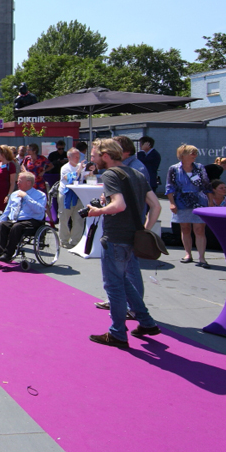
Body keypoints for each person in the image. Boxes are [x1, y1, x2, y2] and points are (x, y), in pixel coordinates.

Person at [84, 138, 163, 348]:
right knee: (125, 282)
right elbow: (156, 206)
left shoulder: (110, 174)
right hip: (132, 238)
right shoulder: (136, 173)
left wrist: (98, 211)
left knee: (114, 286)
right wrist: (144, 230)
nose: (94, 160)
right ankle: (146, 322)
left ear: (106, 156)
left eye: (96, 156)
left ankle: (118, 332)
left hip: (116, 236)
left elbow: (119, 205)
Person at [165, 144, 212, 268]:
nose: (195, 156)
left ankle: (202, 257)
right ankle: (188, 254)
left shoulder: (200, 168)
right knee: (185, 228)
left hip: (199, 201)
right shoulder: (174, 169)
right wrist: (172, 203)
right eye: (192, 153)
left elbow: (207, 185)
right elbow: (169, 187)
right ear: (182, 155)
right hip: (181, 201)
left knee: (200, 229)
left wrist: (210, 202)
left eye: (195, 153)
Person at [0, 172, 47, 264]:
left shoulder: (40, 195)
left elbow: (39, 210)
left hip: (32, 220)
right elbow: (7, 211)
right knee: (4, 225)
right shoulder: (14, 194)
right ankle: (0, 250)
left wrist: (26, 197)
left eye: (20, 181)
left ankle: (8, 254)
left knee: (17, 227)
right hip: (15, 220)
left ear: (28, 183)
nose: (17, 183)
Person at [57, 148, 87, 248]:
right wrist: (78, 171)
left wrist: (90, 171)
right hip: (66, 196)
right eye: (75, 156)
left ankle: (76, 241)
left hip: (79, 196)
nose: (78, 158)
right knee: (64, 218)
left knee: (78, 218)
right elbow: (69, 179)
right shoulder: (65, 168)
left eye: (79, 156)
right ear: (69, 157)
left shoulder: (81, 167)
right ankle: (64, 241)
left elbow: (87, 177)